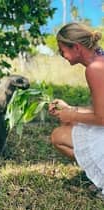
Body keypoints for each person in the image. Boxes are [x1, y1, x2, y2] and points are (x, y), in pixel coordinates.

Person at [48, 22, 104, 195]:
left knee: (58, 136)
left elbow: (102, 119)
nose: (61, 54)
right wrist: (71, 109)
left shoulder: (95, 69)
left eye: (62, 49)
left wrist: (71, 115)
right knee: (69, 128)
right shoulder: (99, 59)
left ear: (76, 48)